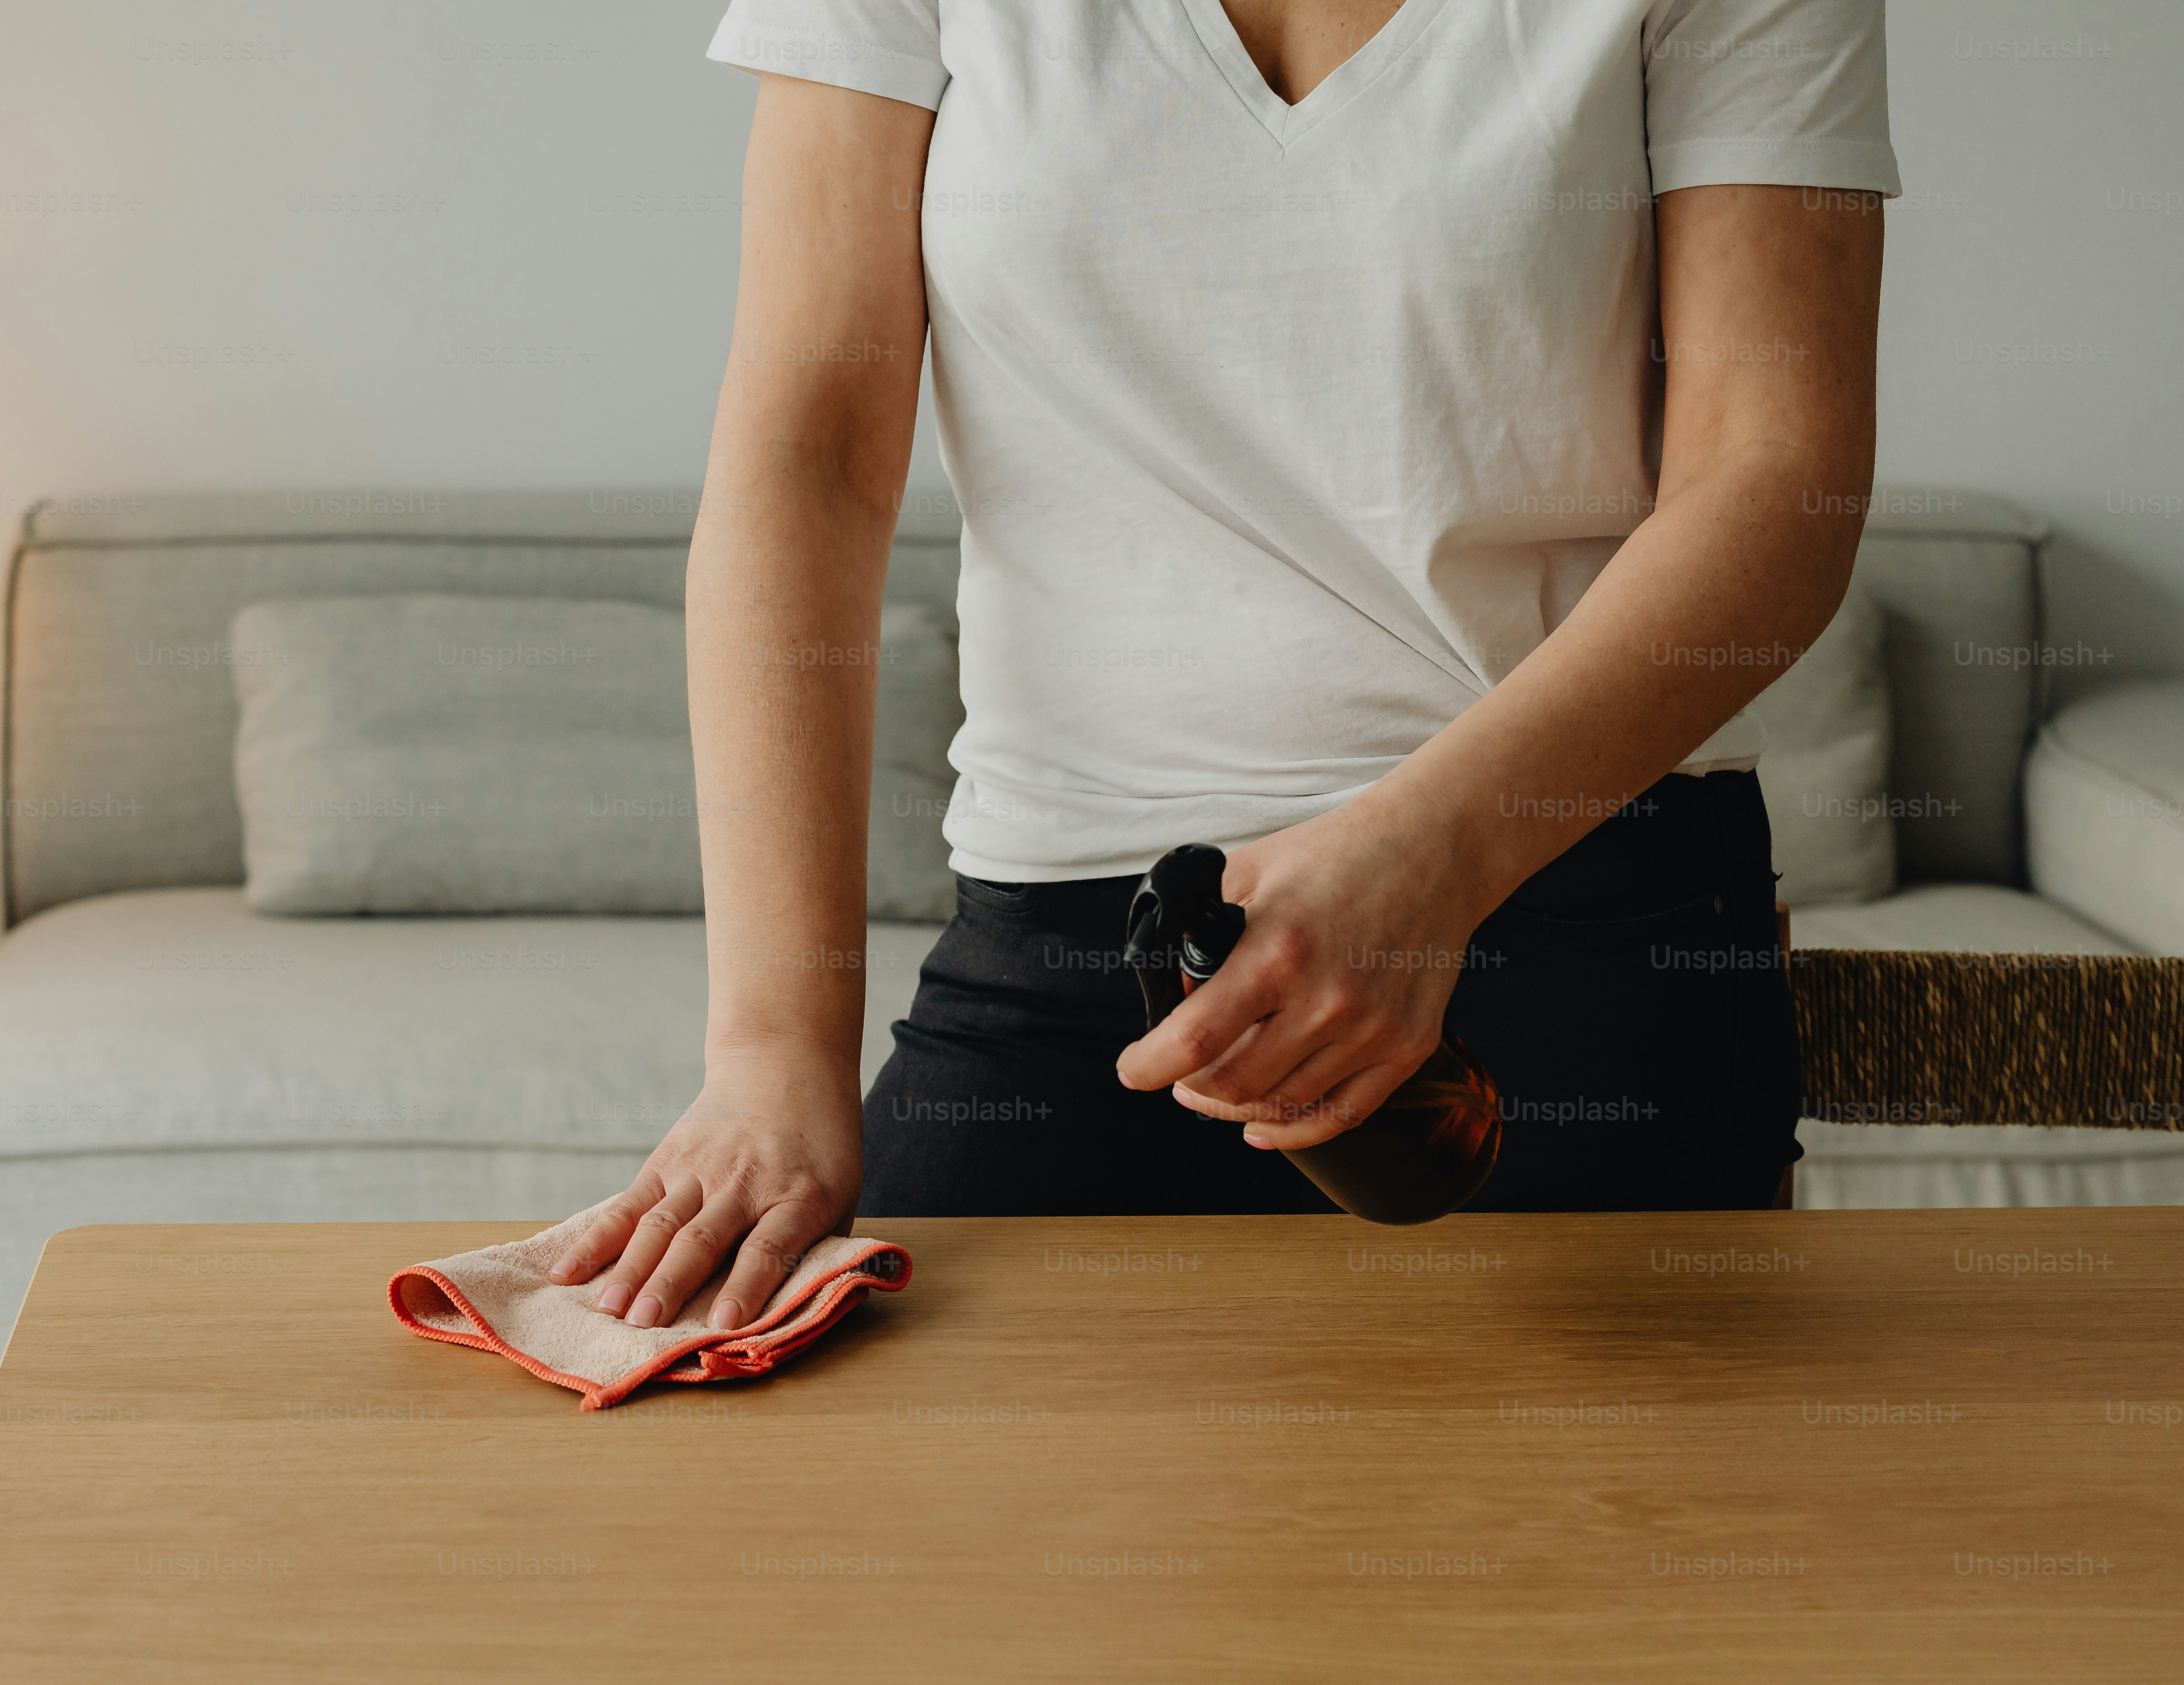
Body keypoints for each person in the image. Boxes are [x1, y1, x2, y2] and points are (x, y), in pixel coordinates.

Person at [551, 0, 1899, 1329]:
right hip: (1067, 945)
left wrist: (1428, 854)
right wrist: (773, 1053)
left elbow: (1772, 477)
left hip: (1575, 907)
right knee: (895, 1505)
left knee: (1590, 1533)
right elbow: (816, 461)